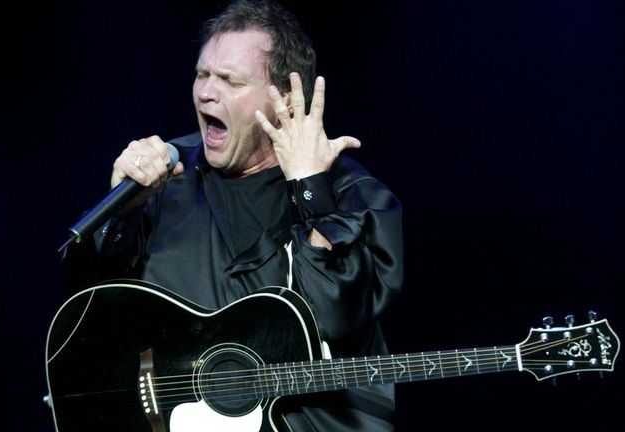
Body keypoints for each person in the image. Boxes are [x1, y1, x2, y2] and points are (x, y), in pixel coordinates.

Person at [62, 1, 403, 430]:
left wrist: (310, 187)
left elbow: (334, 321)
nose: (206, 91)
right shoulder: (166, 181)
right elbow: (83, 316)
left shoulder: (355, 196)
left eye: (229, 80)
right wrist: (121, 214)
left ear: (285, 99)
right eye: (202, 74)